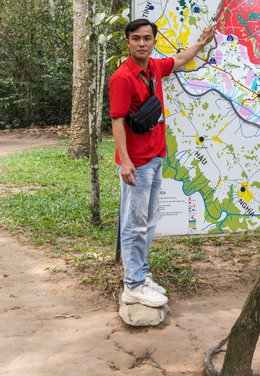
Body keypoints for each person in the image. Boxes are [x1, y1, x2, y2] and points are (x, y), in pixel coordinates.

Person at [110, 18, 215, 307]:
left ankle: (141, 275)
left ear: (153, 41)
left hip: (155, 157)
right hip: (137, 164)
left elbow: (180, 58)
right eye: (135, 39)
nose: (142, 43)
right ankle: (132, 285)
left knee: (148, 222)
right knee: (134, 225)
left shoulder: (154, 68)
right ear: (128, 42)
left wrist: (202, 43)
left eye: (147, 38)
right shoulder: (122, 77)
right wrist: (126, 162)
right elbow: (117, 121)